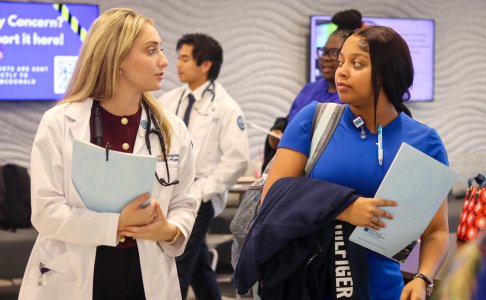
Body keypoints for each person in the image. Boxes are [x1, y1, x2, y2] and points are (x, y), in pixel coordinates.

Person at [19, 8, 197, 300]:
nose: (164, 61)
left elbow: (185, 202)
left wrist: (170, 230)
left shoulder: (172, 129)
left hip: (146, 275)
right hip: (74, 275)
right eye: (151, 51)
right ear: (117, 59)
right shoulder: (60, 123)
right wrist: (116, 224)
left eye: (161, 50)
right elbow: (46, 211)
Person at [261, 26, 450, 299]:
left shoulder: (425, 142)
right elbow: (274, 199)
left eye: (357, 64)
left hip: (383, 289)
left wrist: (423, 278)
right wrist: (344, 207)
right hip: (309, 284)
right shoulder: (313, 121)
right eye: (341, 62)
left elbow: (436, 231)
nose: (342, 71)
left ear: (387, 73)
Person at [158, 33, 250, 300]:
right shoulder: (169, 101)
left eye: (185, 58)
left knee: (178, 263)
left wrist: (203, 191)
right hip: (169, 191)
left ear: (206, 64)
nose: (177, 64)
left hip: (200, 196)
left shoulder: (226, 107)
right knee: (197, 263)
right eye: (179, 58)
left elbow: (237, 159)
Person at [261, 9, 362, 172]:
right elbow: (292, 123)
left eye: (334, 53)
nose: (324, 57)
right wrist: (278, 134)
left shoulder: (353, 97)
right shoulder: (309, 90)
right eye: (323, 51)